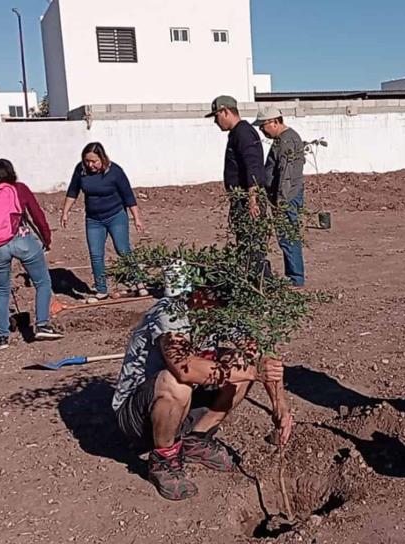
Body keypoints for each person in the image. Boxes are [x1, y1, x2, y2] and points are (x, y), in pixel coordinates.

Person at [113, 277, 293, 501]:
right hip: (138, 416)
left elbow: (261, 355)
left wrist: (280, 407)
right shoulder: (170, 312)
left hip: (186, 403)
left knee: (239, 362)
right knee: (176, 382)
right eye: (219, 298)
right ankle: (164, 459)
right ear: (199, 292)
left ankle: (195, 438)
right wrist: (253, 373)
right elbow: (184, 368)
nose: (224, 306)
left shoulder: (222, 311)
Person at [0, 158, 64, 349]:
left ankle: (2, 336)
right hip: (22, 241)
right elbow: (37, 214)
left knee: (1, 290)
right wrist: (46, 238)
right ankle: (42, 325)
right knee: (42, 282)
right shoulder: (19, 188)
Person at [60, 142, 146, 301]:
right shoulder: (81, 170)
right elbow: (73, 191)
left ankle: (139, 282)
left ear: (102, 158)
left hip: (116, 215)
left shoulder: (115, 172)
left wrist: (137, 218)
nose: (90, 165)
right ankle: (101, 289)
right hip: (93, 220)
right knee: (96, 254)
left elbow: (128, 195)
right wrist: (65, 212)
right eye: (87, 161)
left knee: (123, 249)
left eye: (94, 161)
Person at [206, 96, 273, 277]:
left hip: (248, 200)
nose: (215, 121)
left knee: (252, 244)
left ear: (225, 111)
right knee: (246, 244)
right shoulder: (237, 133)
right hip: (242, 199)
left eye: (216, 115)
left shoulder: (243, 133)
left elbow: (253, 167)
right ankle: (253, 283)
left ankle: (261, 286)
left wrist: (253, 200)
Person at [255, 106, 307, 287]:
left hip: (287, 197)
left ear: (275, 121)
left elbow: (286, 175)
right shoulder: (281, 139)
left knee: (288, 237)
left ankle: (295, 278)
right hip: (285, 196)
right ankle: (293, 276)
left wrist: (280, 202)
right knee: (287, 237)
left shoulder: (287, 141)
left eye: (263, 125)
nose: (261, 129)